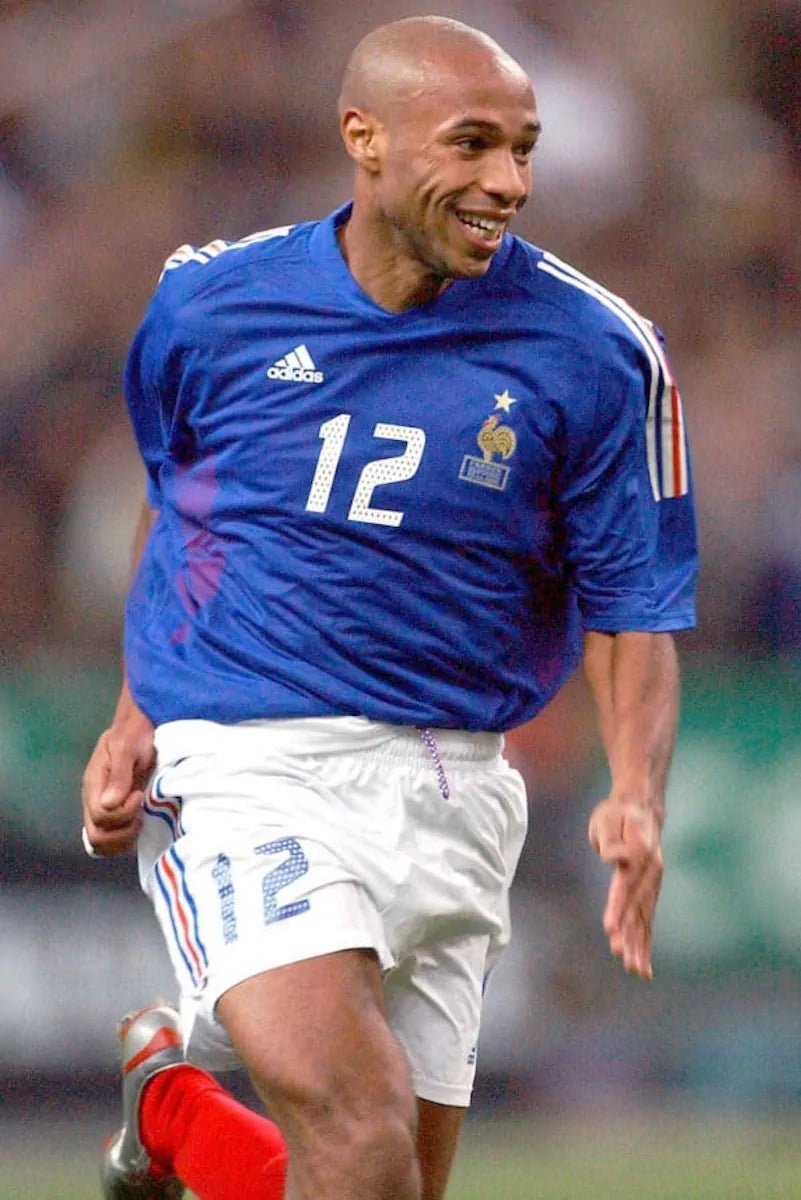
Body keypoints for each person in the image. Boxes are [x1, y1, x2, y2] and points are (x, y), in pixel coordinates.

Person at [81, 14, 697, 1200]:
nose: (507, 182)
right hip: (253, 763)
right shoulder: (211, 302)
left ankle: (172, 1113)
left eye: (523, 149)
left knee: (373, 1182)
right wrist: (137, 710)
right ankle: (174, 1109)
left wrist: (634, 791)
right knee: (361, 1145)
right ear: (364, 138)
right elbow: (187, 502)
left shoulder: (600, 351)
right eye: (472, 144)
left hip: (459, 787)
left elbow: (633, 602)